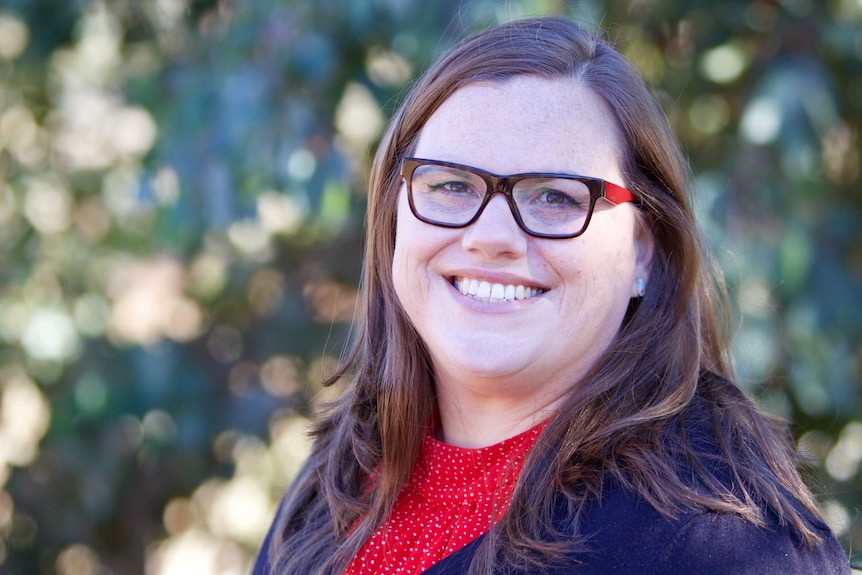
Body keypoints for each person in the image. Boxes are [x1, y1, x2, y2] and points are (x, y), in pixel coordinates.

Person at [252, 16, 851, 574]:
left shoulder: (725, 546)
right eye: (452, 184)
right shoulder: (340, 481)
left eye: (556, 197)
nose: (490, 238)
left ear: (643, 249)